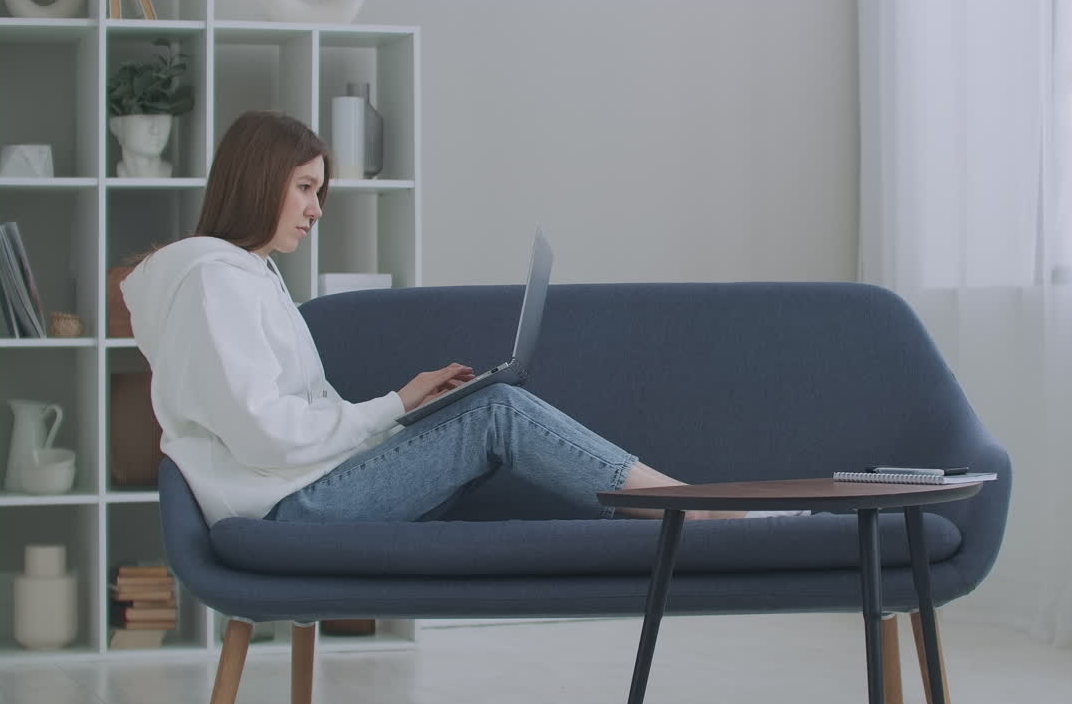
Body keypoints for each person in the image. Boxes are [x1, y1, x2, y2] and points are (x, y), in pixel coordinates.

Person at [121, 110, 804, 526]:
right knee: (498, 411)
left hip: (301, 488)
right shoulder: (214, 282)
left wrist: (403, 412)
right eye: (305, 187)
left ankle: (681, 508)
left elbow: (284, 423)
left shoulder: (246, 276)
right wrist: (390, 407)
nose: (316, 209)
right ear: (258, 179)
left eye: (318, 191)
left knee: (485, 409)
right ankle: (696, 509)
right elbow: (266, 438)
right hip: (287, 507)